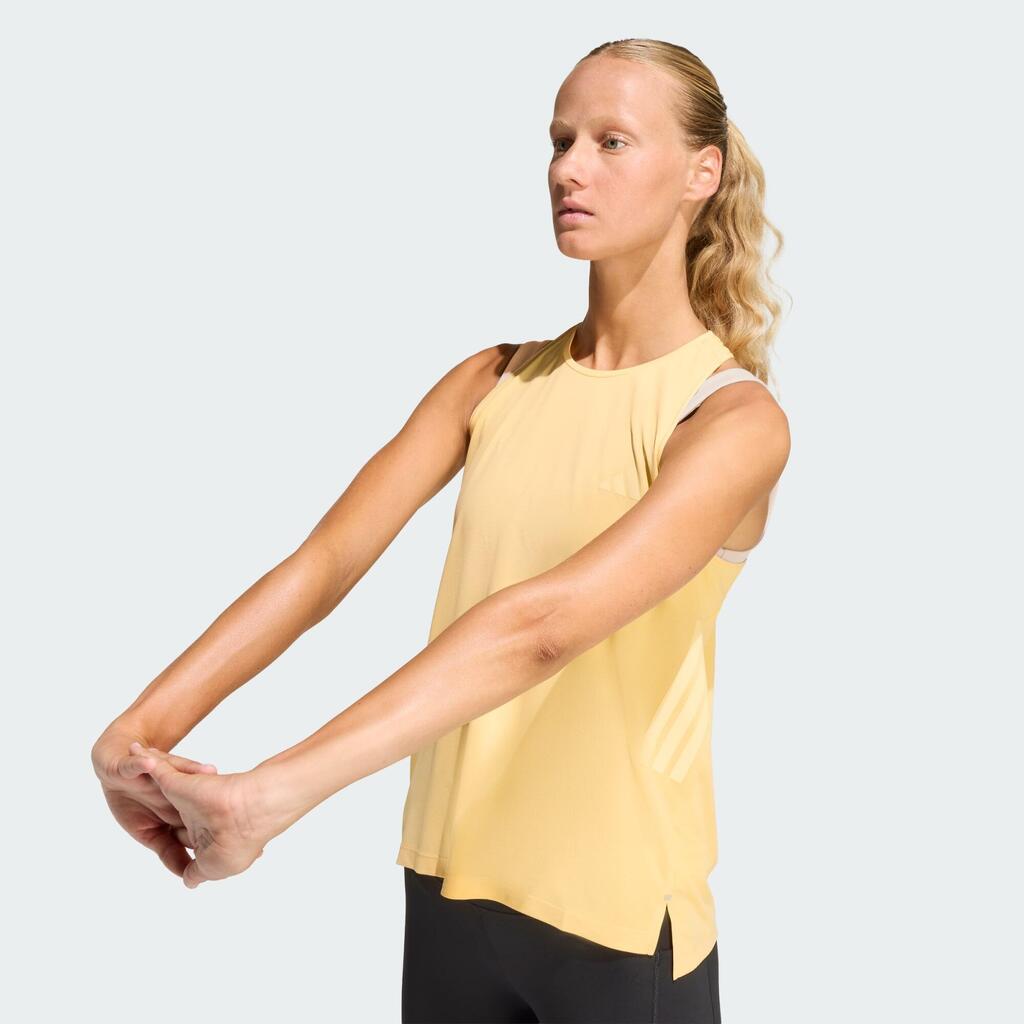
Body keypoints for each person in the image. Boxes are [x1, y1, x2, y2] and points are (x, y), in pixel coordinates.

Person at [91, 37, 790, 1024]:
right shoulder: (491, 380)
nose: (569, 169)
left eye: (611, 141)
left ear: (699, 173)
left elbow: (540, 627)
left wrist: (272, 792)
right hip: (450, 894)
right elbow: (324, 564)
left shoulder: (728, 421)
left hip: (617, 920)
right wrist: (141, 730)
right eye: (560, 140)